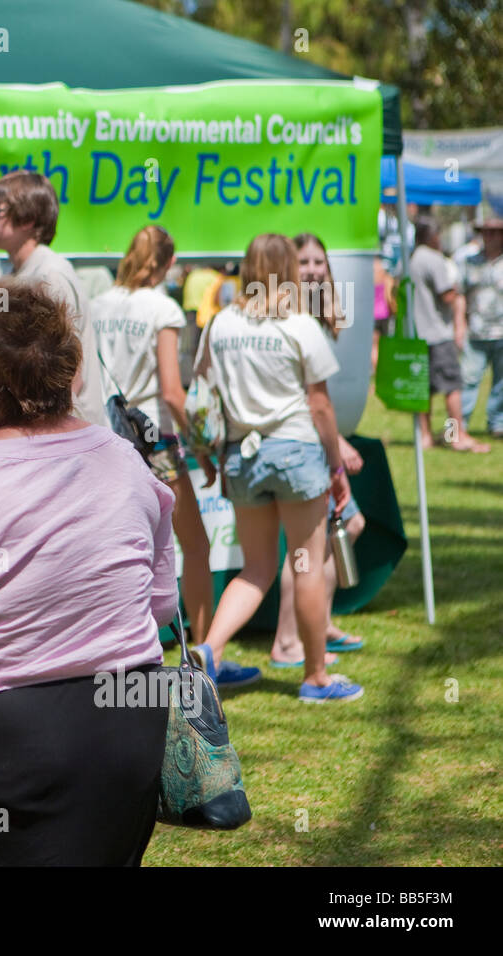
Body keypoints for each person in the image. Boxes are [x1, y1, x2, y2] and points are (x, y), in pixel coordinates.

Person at [0, 277, 175, 865]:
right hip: (130, 719)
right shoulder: (127, 463)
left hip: (8, 736)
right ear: (71, 372)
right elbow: (161, 606)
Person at [192, 233, 361, 702]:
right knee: (305, 565)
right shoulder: (300, 324)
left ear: (247, 268)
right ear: (287, 268)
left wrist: (204, 451)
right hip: (296, 454)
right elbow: (321, 406)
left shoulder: (221, 323)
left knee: (256, 568)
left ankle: (209, 649)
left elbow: (202, 392)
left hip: (241, 457)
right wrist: (336, 466)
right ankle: (314, 677)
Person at [90, 225, 215, 647]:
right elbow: (172, 391)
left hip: (108, 437)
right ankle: (205, 650)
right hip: (155, 441)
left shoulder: (97, 304)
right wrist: (201, 444)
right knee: (194, 544)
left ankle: (119, 646)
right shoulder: (163, 309)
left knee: (118, 549)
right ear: (168, 263)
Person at [270, 234, 368, 668]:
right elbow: (301, 396)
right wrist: (338, 444)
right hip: (303, 446)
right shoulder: (291, 316)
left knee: (334, 535)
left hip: (314, 444)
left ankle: (317, 624)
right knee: (311, 548)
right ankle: (289, 641)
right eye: (303, 261)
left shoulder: (317, 312)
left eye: (318, 262)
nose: (312, 269)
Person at [0, 170, 108, 428]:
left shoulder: (50, 275)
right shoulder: (20, 273)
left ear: (28, 219)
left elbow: (70, 374)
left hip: (64, 439)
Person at [409, 219, 489, 452]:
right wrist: (460, 290)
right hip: (437, 333)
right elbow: (446, 295)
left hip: (415, 334)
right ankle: (456, 436)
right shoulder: (433, 259)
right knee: (452, 388)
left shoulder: (411, 258)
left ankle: (424, 437)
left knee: (422, 389)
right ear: (433, 235)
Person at [460, 219, 503, 438]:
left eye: (496, 233)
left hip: (501, 332)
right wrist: (459, 327)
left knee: (501, 383)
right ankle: (458, 427)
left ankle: (497, 425)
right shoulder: (469, 262)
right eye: (488, 232)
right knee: (466, 380)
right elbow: (459, 296)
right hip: (475, 331)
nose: (492, 237)